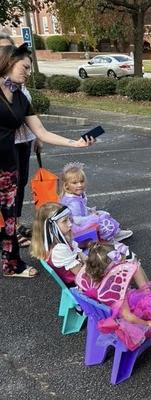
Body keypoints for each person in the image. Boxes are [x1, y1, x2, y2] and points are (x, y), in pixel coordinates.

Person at [0, 43, 94, 278]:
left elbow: (41, 132)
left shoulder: (21, 97)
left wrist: (76, 143)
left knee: (9, 218)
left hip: (7, 168)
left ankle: (11, 265)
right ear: (9, 62)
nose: (28, 72)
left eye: (30, 68)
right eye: (25, 67)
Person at [0, 32, 41, 248]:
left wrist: (77, 143)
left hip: (18, 146)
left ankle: (12, 229)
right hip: (6, 153)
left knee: (18, 188)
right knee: (7, 198)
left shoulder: (18, 90)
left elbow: (37, 125)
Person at [59, 162, 133, 242]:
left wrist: (90, 210)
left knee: (103, 214)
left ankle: (115, 233)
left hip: (81, 221)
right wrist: (92, 217)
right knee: (103, 220)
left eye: (81, 181)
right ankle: (108, 238)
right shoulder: (73, 202)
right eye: (75, 183)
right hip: (76, 229)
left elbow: (81, 209)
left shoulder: (74, 196)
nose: (79, 185)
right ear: (66, 185)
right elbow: (76, 220)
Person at [30, 203, 84, 286]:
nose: (70, 224)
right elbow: (80, 273)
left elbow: (80, 255)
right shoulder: (60, 249)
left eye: (69, 219)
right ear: (51, 227)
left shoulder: (50, 244)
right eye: (65, 221)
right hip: (78, 284)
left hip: (77, 279)